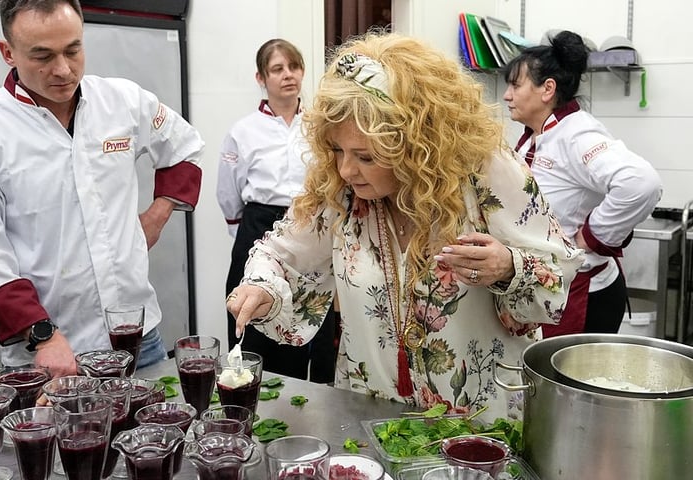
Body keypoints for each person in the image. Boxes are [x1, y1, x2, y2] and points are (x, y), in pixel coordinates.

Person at [226, 32, 583, 422]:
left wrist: (509, 266)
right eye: (337, 150)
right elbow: (279, 254)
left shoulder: (486, 173)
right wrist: (262, 284)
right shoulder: (342, 191)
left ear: (415, 143)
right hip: (370, 414)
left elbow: (558, 272)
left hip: (479, 424)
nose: (346, 169)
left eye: (365, 155)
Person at [0, 0, 204, 378]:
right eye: (42, 56)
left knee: (153, 438)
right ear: (8, 53)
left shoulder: (123, 101)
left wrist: (157, 216)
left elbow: (185, 147)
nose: (63, 70)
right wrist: (43, 334)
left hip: (137, 339)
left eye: (73, 50)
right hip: (50, 353)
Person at [502, 30, 662, 337]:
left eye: (515, 85)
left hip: (581, 293)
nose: (507, 94)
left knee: (565, 383)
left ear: (547, 89)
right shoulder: (534, 136)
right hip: (545, 284)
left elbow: (641, 183)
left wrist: (589, 237)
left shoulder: (577, 134)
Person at [217, 39, 338, 382]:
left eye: (294, 67)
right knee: (250, 317)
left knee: (303, 315)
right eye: (277, 69)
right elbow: (228, 194)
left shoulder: (320, 126)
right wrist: (251, 237)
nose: (288, 75)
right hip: (256, 226)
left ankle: (298, 400)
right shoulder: (242, 131)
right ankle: (247, 391)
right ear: (261, 77)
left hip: (308, 228)